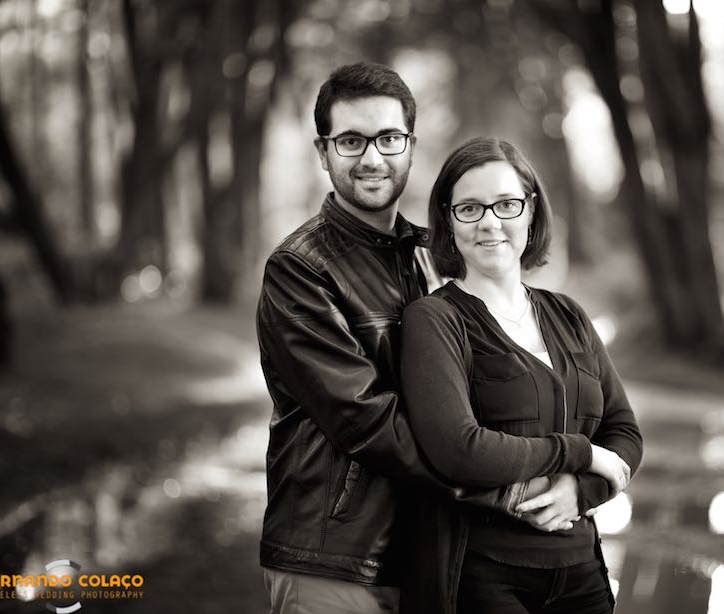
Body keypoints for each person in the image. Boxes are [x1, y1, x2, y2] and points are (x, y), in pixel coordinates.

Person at [256, 64, 610, 614]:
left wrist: (577, 488)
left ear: (410, 146)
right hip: (336, 558)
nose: (372, 158)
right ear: (324, 152)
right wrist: (515, 487)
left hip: (436, 551)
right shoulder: (300, 270)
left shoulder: (434, 257)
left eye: (388, 138)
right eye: (351, 141)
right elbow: (369, 420)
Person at [399, 137, 643, 614]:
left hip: (583, 574)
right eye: (470, 208)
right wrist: (581, 452)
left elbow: (626, 432)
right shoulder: (434, 320)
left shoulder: (568, 314)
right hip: (484, 576)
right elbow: (459, 450)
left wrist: (581, 489)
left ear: (531, 212)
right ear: (448, 221)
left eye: (506, 204)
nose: (490, 222)